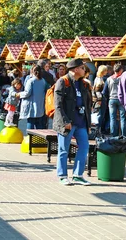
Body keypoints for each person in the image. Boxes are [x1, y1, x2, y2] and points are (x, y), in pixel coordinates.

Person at [53, 58, 92, 186]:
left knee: (84, 146)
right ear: (75, 69)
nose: (84, 70)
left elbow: (87, 104)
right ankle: (62, 175)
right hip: (67, 122)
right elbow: (58, 105)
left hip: (81, 121)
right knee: (64, 149)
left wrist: (88, 123)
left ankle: (77, 175)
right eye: (82, 68)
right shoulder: (63, 81)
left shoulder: (84, 84)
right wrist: (65, 121)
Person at [19, 65, 49, 130]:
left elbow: (27, 93)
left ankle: (30, 139)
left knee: (30, 125)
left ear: (32, 71)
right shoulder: (43, 81)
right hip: (40, 107)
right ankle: (39, 140)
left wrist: (18, 94)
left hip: (31, 107)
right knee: (39, 127)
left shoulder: (31, 81)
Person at [103, 64, 126, 137]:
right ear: (121, 70)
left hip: (112, 99)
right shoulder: (123, 78)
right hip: (121, 99)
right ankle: (124, 135)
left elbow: (104, 91)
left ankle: (113, 135)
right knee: (123, 118)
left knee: (112, 118)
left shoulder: (109, 79)